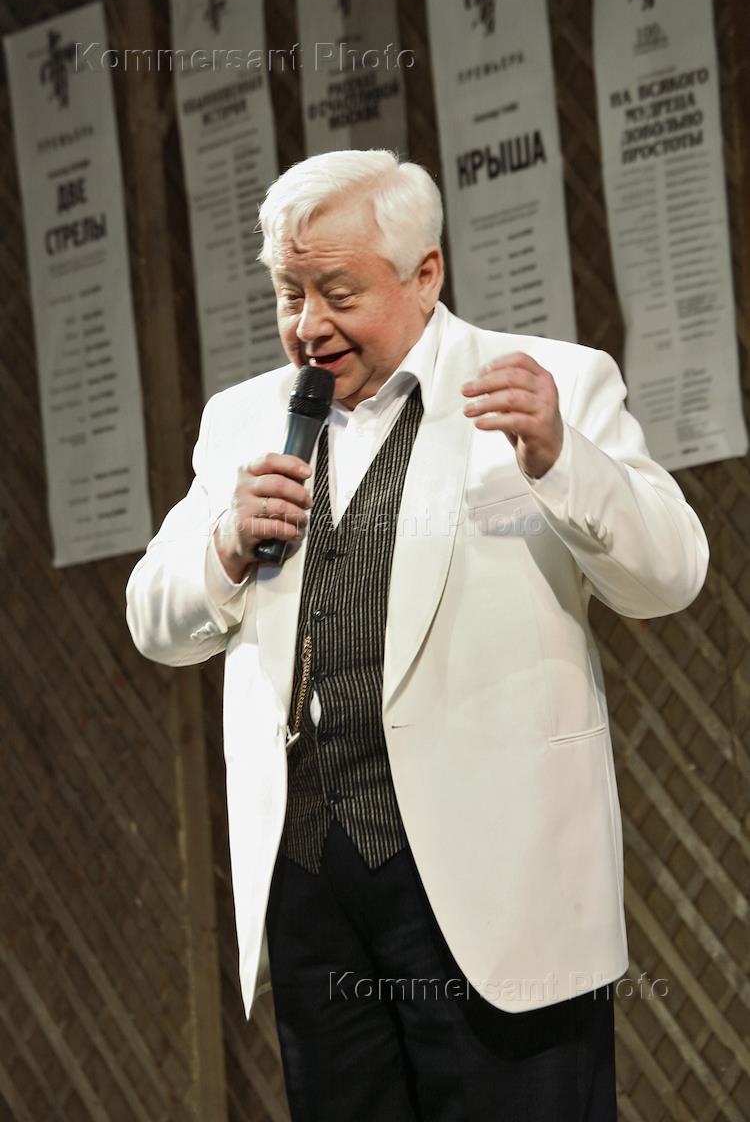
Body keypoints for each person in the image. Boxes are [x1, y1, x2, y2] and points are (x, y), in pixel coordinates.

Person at [126, 149, 709, 1121]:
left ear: (425, 273)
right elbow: (154, 620)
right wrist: (226, 542)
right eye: (289, 294)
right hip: (312, 885)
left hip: (500, 889)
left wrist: (561, 459)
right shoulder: (242, 419)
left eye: (339, 292)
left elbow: (671, 576)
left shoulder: (550, 383)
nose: (309, 326)